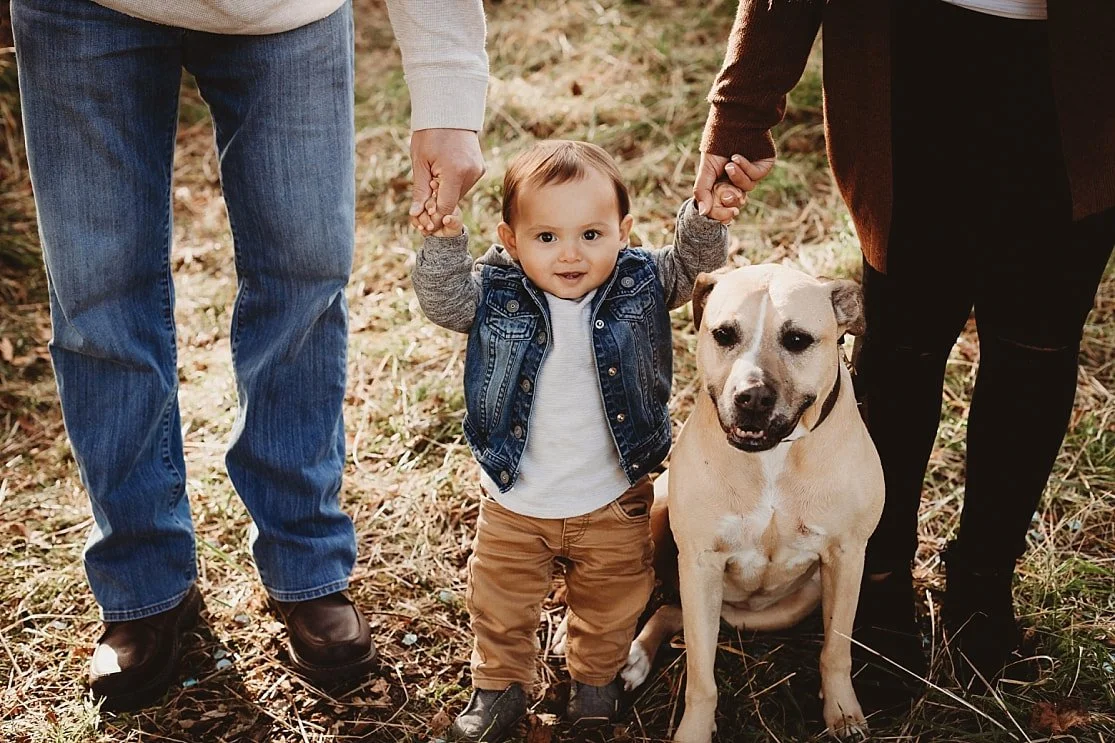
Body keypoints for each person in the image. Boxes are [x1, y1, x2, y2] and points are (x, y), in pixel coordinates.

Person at [10, 0, 487, 711]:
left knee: (303, 277)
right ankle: (142, 579)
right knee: (98, 297)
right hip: (85, 12)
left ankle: (305, 560)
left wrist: (449, 86)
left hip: (286, 14)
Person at [695, 0, 1115, 699]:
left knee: (1035, 350)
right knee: (901, 351)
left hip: (1084, 80)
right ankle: (877, 580)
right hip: (911, 57)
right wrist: (741, 110)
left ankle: (983, 584)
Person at [411, 140, 742, 741]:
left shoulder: (640, 281)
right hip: (515, 500)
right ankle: (499, 687)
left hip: (611, 497)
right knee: (501, 607)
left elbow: (691, 271)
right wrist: (442, 241)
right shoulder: (495, 290)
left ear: (624, 230)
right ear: (511, 241)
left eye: (592, 234)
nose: (570, 254)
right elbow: (444, 300)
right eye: (546, 238)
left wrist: (706, 220)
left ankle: (595, 682)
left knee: (612, 603)